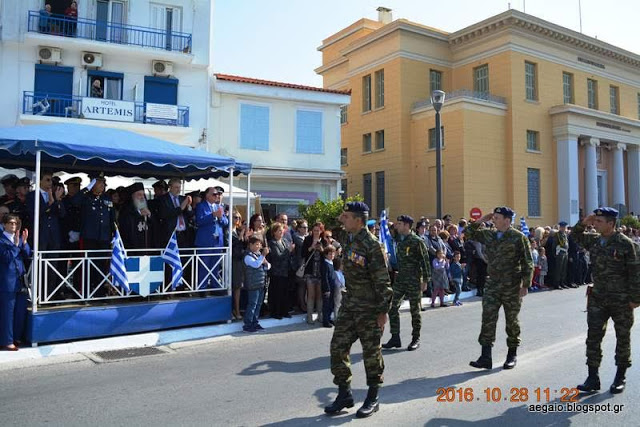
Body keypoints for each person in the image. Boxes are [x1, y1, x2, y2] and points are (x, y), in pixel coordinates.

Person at [325, 202, 392, 419]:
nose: (342, 220)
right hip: (350, 305)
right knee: (337, 347)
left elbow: (383, 282)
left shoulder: (372, 246)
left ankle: (373, 396)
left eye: (346, 217)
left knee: (371, 353)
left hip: (370, 309)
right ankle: (344, 393)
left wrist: (383, 313)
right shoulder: (349, 238)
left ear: (358, 220)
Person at [573, 207, 640, 394]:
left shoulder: (626, 244)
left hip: (621, 300)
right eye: (595, 221)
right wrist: (584, 221)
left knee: (622, 337)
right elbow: (575, 235)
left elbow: (636, 272)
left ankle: (620, 376)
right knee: (593, 338)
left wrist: (635, 299)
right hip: (598, 298)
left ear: (611, 224)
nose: (595, 223)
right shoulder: (594, 241)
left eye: (600, 221)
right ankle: (592, 377)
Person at [466, 206, 534, 370]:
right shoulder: (489, 234)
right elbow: (468, 233)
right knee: (488, 318)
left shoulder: (518, 237)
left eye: (497, 217)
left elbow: (528, 262)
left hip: (512, 285)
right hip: (493, 283)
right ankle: (485, 356)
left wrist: (525, 285)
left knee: (511, 321)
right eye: (494, 217)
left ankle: (512, 355)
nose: (494, 219)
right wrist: (481, 220)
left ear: (507, 220)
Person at [383, 214, 430, 351]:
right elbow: (387, 233)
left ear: (407, 226)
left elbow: (425, 261)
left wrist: (426, 280)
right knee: (392, 307)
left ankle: (416, 338)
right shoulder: (399, 238)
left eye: (400, 224)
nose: (397, 226)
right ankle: (395, 337)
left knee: (415, 310)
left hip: (414, 280)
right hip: (401, 279)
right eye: (397, 224)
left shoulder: (416, 241)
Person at [0, 214, 30, 350]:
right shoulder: (1, 240)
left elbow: (27, 254)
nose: (13, 226)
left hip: (20, 280)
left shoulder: (17, 238)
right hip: (7, 282)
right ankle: (7, 340)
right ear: (4, 225)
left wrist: (24, 243)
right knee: (7, 313)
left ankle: (16, 337)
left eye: (15, 223)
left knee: (20, 312)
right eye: (10, 223)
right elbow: (6, 257)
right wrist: (16, 246)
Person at [195, 186, 228, 289]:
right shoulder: (201, 206)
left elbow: (226, 222)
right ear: (207, 195)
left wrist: (219, 217)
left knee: (215, 265)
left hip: (217, 241)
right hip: (205, 241)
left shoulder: (219, 207)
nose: (217, 196)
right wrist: (213, 215)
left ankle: (214, 285)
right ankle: (202, 287)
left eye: (218, 194)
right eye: (214, 194)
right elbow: (199, 221)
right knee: (204, 265)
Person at [243, 236, 270, 333]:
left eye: (260, 244)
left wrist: (265, 262)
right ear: (250, 245)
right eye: (257, 244)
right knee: (252, 304)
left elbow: (268, 265)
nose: (259, 246)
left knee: (258, 304)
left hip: (261, 283)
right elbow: (256, 265)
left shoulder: (259, 255)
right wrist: (263, 256)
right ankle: (248, 324)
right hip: (253, 284)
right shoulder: (248, 256)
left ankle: (255, 322)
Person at [267, 222, 294, 319]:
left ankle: (284, 311)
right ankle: (276, 312)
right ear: (274, 232)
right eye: (279, 230)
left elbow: (287, 255)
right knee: (277, 293)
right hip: (276, 272)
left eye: (282, 230)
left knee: (284, 292)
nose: (281, 232)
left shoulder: (284, 241)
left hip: (285, 271)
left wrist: (289, 251)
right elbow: (277, 256)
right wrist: (288, 250)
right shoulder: (272, 243)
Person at [158, 178, 193, 248]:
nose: (179, 190)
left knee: (184, 257)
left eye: (180, 187)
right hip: (171, 234)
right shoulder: (163, 199)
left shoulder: (182, 199)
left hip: (183, 234)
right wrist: (181, 207)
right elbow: (167, 214)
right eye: (176, 187)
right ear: (170, 187)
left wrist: (188, 206)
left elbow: (190, 215)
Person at [302, 222, 325, 324]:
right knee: (311, 294)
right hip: (310, 271)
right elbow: (303, 253)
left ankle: (320, 315)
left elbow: (328, 256)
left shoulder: (324, 240)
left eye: (318, 230)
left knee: (319, 295)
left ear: (321, 231)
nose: (316, 232)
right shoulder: (307, 239)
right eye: (314, 230)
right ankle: (309, 316)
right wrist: (311, 247)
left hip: (320, 271)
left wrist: (322, 250)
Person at [118, 182, 152, 250]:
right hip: (132, 248)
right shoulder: (126, 210)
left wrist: (150, 216)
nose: (142, 197)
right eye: (139, 195)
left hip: (147, 247)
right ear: (132, 197)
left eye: (143, 194)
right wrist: (139, 215)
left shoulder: (149, 209)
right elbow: (126, 228)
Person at [231, 212, 247, 319]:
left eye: (239, 217)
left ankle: (237, 310)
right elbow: (230, 244)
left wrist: (245, 238)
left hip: (239, 260)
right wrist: (240, 236)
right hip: (231, 261)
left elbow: (242, 245)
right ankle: (234, 311)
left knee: (238, 287)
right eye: (235, 217)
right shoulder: (227, 230)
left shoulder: (237, 231)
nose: (237, 219)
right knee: (234, 287)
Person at [320, 245, 339, 328]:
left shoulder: (331, 263)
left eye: (333, 254)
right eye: (330, 254)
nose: (332, 256)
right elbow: (325, 278)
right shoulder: (325, 264)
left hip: (333, 286)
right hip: (328, 288)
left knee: (331, 304)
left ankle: (328, 318)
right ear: (326, 255)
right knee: (326, 305)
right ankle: (325, 321)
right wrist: (327, 289)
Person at [553, 221, 570, 289]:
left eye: (565, 227)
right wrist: (555, 253)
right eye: (563, 227)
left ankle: (562, 282)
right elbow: (554, 245)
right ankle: (557, 283)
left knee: (564, 269)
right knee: (559, 269)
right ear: (561, 227)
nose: (564, 228)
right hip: (560, 252)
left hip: (565, 252)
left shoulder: (564, 234)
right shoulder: (557, 234)